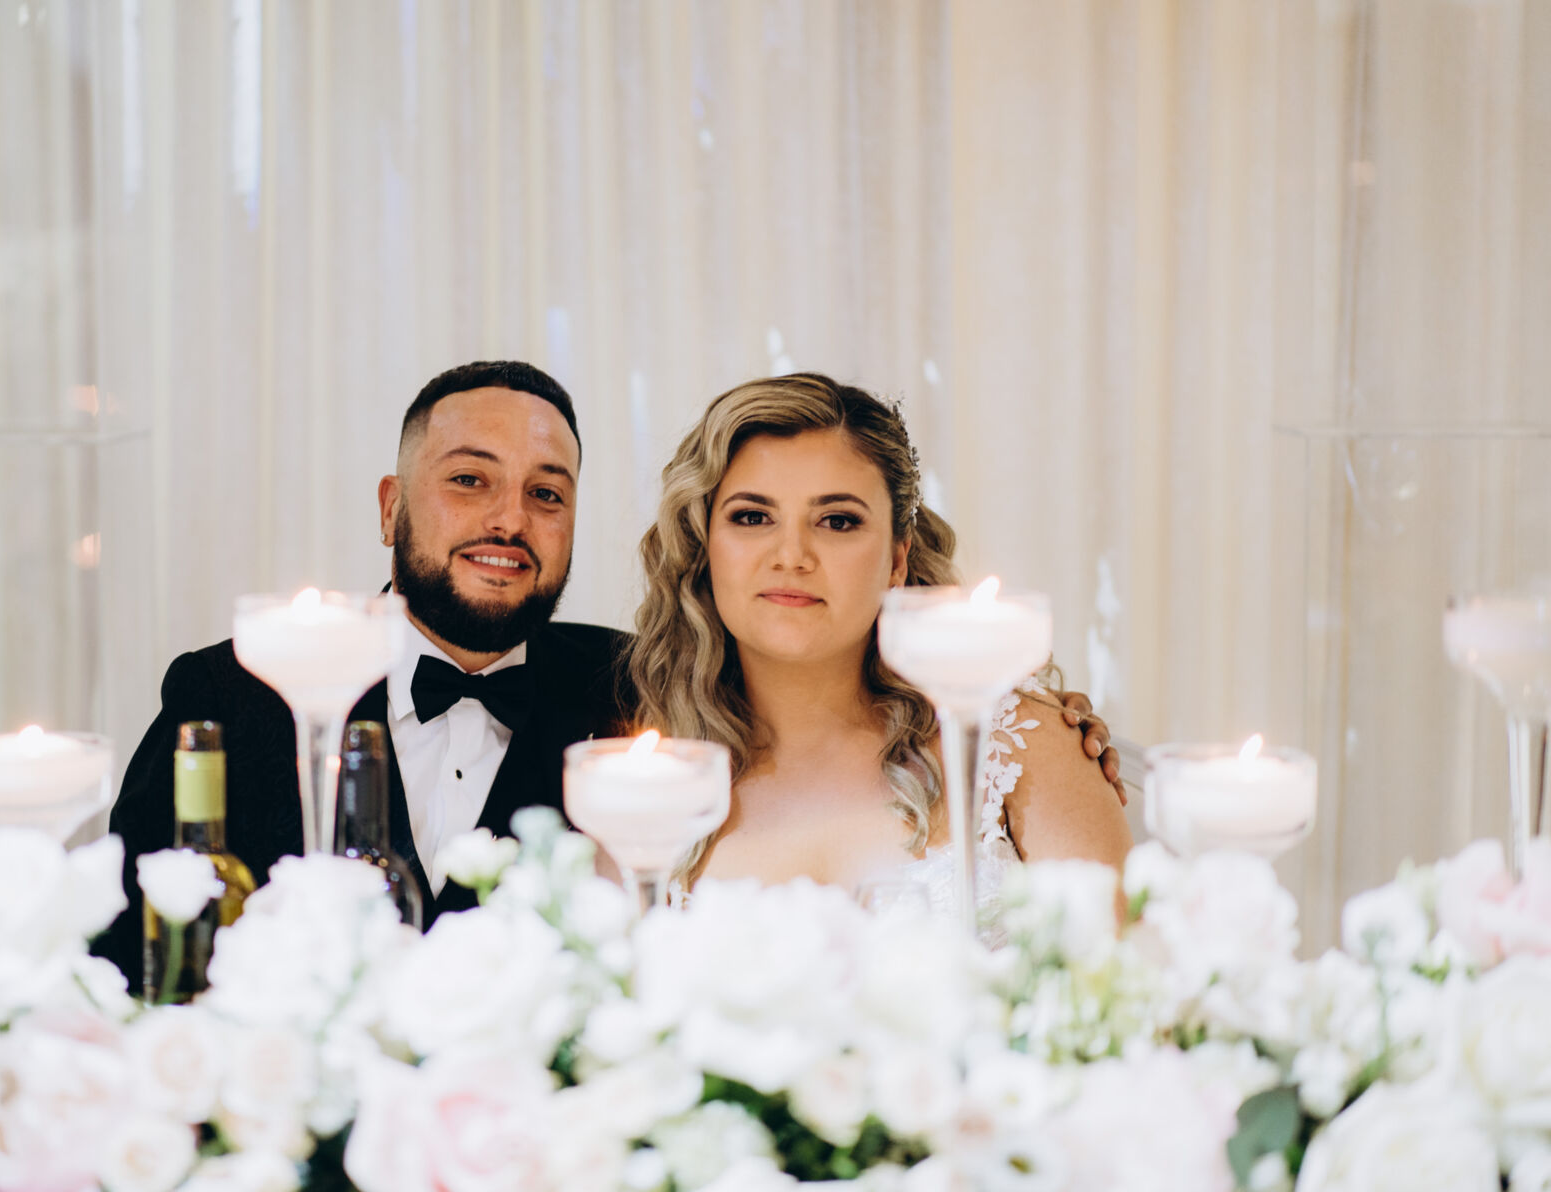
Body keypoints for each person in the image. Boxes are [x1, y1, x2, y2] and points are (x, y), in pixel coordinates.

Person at [97, 361, 1122, 988]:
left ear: (896, 557)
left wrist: (1036, 712)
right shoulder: (237, 693)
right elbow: (125, 951)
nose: (508, 519)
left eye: (547, 493)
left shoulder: (625, 706)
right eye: (469, 480)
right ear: (390, 506)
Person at [626, 373, 1133, 920]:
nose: (791, 556)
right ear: (704, 548)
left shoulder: (1013, 742)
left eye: (837, 521)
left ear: (896, 560)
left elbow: (1122, 965)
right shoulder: (640, 781)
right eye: (752, 517)